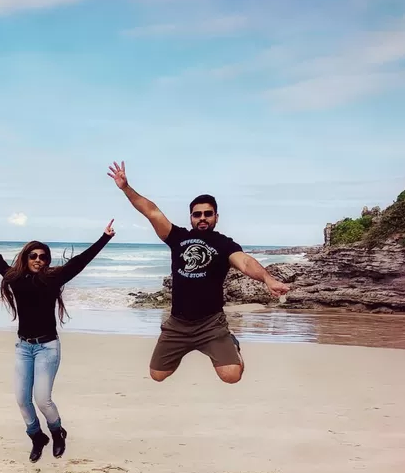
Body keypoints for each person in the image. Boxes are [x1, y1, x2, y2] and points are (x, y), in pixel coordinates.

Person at [107, 161, 290, 384]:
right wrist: (126, 187)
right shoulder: (178, 238)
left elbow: (245, 262)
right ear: (191, 217)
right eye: (197, 214)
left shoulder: (224, 244)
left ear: (216, 217)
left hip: (211, 324)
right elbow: (152, 212)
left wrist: (267, 278)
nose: (202, 217)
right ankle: (183, 347)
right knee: (157, 375)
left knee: (231, 376)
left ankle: (230, 343)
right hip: (177, 323)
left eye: (208, 214)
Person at [0, 211, 115, 463]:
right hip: (23, 348)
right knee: (22, 399)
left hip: (47, 347)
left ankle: (56, 431)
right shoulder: (15, 280)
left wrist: (104, 238)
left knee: (42, 399)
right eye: (34, 256)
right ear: (26, 258)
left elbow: (80, 262)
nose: (39, 260)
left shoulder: (54, 279)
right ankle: (36, 436)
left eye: (43, 257)